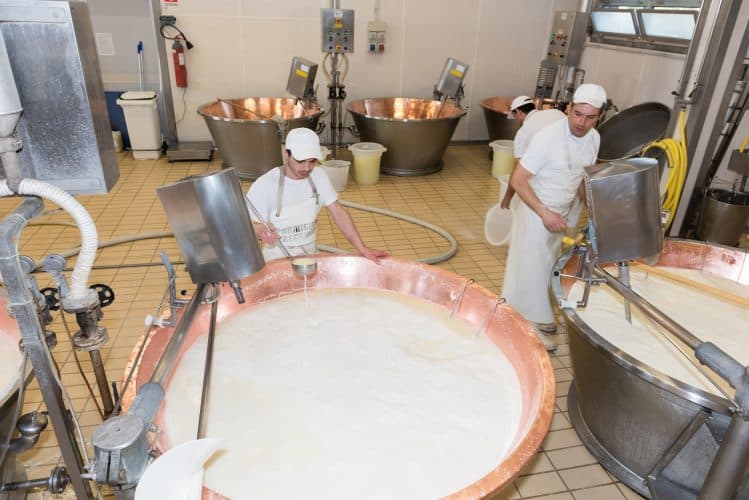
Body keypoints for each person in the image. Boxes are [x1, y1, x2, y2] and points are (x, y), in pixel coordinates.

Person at [501, 84, 607, 351]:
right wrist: (544, 213)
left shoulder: (594, 139)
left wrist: (594, 212)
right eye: (577, 114)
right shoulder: (547, 138)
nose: (581, 123)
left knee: (547, 267)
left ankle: (535, 318)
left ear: (600, 116)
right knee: (529, 270)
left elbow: (580, 179)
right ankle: (523, 328)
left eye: (589, 117)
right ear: (568, 109)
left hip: (558, 214)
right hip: (536, 211)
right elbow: (519, 179)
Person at [246, 127, 387, 262]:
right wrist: (260, 230)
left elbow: (338, 213)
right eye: (300, 161)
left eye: (312, 161)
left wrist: (362, 248)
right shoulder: (265, 184)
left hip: (310, 257)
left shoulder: (319, 176)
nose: (307, 168)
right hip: (275, 259)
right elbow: (247, 225)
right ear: (286, 153)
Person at [500, 96, 566, 209]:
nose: (516, 119)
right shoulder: (557, 113)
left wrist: (507, 200)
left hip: (549, 182)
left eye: (514, 115)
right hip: (571, 174)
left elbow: (517, 172)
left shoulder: (523, 133)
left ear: (519, 112)